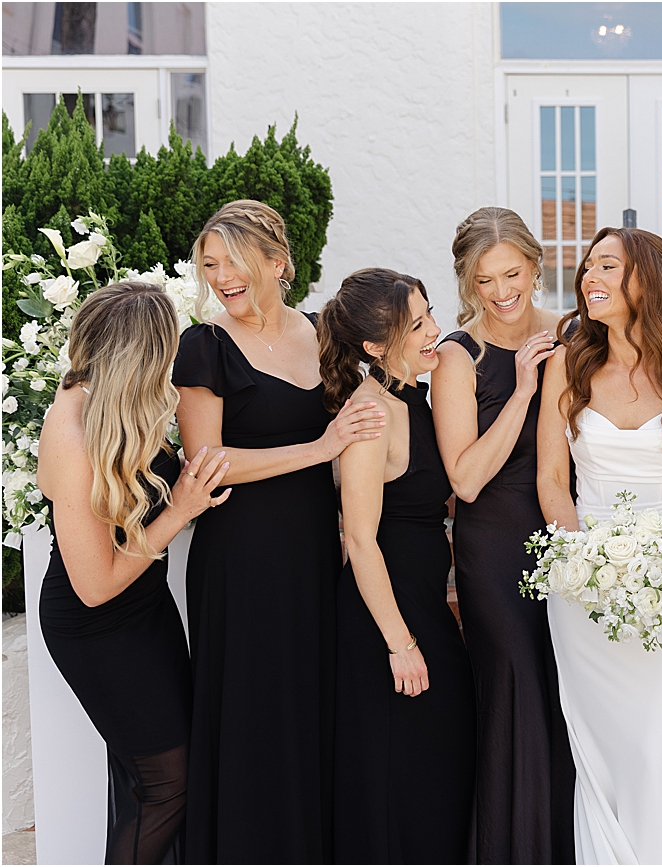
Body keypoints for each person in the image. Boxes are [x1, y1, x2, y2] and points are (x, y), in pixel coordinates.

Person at [172, 200, 385, 862]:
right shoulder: (203, 346)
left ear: (277, 262)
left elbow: (366, 416)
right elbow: (206, 463)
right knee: (248, 713)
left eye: (233, 261)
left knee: (306, 709)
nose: (221, 277)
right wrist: (320, 448)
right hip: (239, 562)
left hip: (311, 555)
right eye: (210, 265)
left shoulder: (323, 332)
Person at [536, 227, 662, 864]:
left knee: (654, 740)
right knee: (599, 744)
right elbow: (551, 479)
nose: (590, 277)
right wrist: (581, 562)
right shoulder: (568, 363)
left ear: (646, 279)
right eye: (588, 266)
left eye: (608, 266)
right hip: (582, 585)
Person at [37, 282, 229, 863]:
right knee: (168, 783)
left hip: (146, 610)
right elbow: (95, 586)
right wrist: (180, 511)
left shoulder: (116, 403)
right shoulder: (72, 434)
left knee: (157, 777)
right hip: (97, 627)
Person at [429, 207, 575, 864]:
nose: (500, 291)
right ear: (468, 282)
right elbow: (464, 478)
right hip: (495, 545)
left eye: (511, 273)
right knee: (516, 687)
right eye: (484, 280)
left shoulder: (572, 332)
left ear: (536, 267)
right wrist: (521, 393)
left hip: (569, 531)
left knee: (566, 687)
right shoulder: (457, 356)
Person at [319, 268, 477, 863]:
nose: (434, 330)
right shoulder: (372, 413)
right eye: (417, 325)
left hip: (422, 607)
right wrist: (400, 644)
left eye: (429, 314)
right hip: (386, 621)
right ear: (375, 346)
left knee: (435, 768)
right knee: (398, 781)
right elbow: (360, 540)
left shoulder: (413, 396)